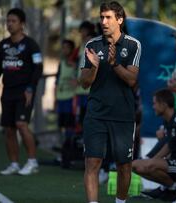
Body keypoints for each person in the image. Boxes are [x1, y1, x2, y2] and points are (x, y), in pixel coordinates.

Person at [79, 2, 141, 203]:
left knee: (124, 165)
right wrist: (95, 67)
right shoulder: (91, 46)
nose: (103, 22)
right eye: (101, 17)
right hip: (96, 114)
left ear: (119, 20)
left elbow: (132, 80)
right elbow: (84, 83)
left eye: (108, 17)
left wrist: (114, 65)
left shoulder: (133, 45)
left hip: (123, 115)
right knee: (92, 162)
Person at [0, 8, 43, 175]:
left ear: (22, 24)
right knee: (9, 129)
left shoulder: (31, 45)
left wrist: (30, 88)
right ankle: (13, 164)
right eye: (8, 21)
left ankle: (32, 161)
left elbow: (38, 68)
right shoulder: (3, 45)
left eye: (13, 21)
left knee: (21, 125)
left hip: (24, 92)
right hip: (8, 92)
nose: (9, 24)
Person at [54, 39, 79, 168]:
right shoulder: (61, 64)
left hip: (71, 100)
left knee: (71, 127)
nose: (64, 50)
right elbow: (56, 82)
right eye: (62, 47)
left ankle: (69, 154)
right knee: (62, 127)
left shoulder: (76, 65)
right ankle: (64, 153)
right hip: (61, 100)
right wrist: (55, 100)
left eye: (67, 48)